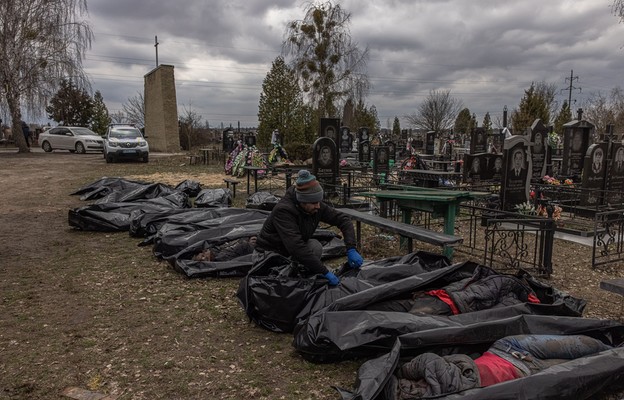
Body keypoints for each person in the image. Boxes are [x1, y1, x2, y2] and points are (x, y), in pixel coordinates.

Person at [384, 334, 612, 398]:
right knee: (591, 366)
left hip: (505, 349)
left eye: (401, 387)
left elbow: (427, 360)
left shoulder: (423, 373)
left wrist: (403, 371)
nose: (407, 390)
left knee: (586, 344)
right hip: (529, 372)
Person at [253, 170, 363, 286]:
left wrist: (351, 248)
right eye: (314, 203)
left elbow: (343, 220)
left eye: (319, 201)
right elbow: (297, 247)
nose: (318, 206)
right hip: (267, 256)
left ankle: (297, 271)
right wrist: (324, 271)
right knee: (279, 283)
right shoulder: (284, 211)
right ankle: (287, 275)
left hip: (287, 252)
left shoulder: (315, 205)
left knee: (314, 246)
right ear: (302, 201)